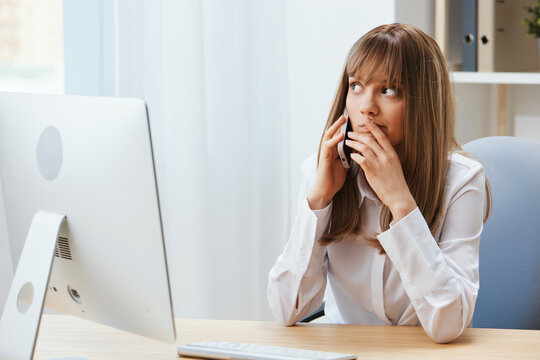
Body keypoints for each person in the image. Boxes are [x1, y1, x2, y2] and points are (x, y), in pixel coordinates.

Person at [267, 23, 491, 344]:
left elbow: (447, 324)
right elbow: (286, 308)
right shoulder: (321, 172)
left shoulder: (461, 180)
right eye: (356, 86)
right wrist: (319, 201)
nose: (366, 107)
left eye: (388, 90)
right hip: (344, 350)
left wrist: (401, 203)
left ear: (424, 102)